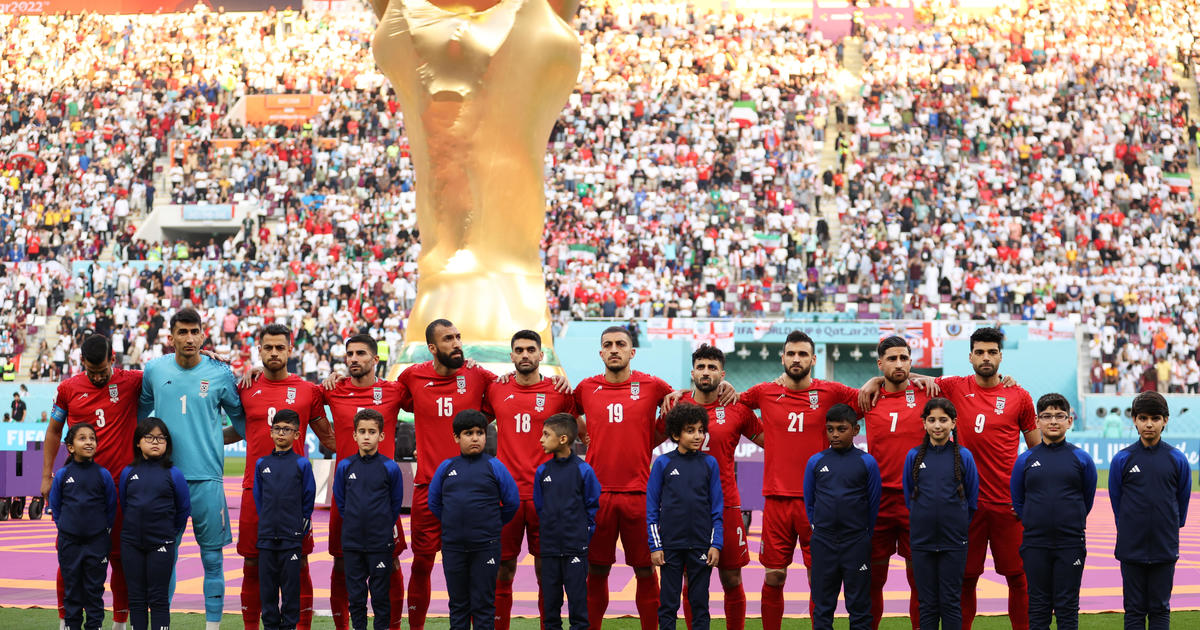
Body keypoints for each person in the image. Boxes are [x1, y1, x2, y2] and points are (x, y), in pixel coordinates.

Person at [738, 330, 861, 630]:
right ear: (782, 358)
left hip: (819, 502)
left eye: (803, 354)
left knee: (817, 575)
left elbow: (867, 398)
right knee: (774, 575)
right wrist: (761, 436)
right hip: (777, 499)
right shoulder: (764, 392)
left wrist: (874, 381)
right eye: (791, 354)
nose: (796, 359)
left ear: (814, 359)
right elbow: (734, 407)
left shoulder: (831, 391)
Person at [138, 307, 247, 630]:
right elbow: (141, 420)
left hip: (207, 480)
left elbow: (242, 425)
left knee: (212, 559)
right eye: (181, 332)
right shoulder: (154, 370)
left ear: (203, 335)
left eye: (193, 331)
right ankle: (162, 625)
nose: (188, 338)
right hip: (163, 480)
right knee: (164, 560)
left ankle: (211, 627)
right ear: (170, 337)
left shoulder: (220, 374)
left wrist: (213, 437)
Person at [393, 319, 497, 630]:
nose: (456, 343)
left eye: (458, 337)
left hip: (473, 491)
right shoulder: (411, 376)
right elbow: (389, 396)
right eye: (448, 339)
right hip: (427, 488)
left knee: (476, 566)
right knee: (423, 564)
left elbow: (509, 389)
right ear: (433, 348)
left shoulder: (478, 375)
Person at [572, 325, 674, 630]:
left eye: (620, 344)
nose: (614, 349)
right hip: (596, 495)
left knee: (646, 569)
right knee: (597, 568)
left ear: (632, 352)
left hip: (640, 493)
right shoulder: (586, 388)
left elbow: (674, 409)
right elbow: (566, 412)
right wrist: (586, 435)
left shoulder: (653, 385)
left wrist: (648, 440)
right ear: (600, 352)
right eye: (608, 345)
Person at [237, 324, 334, 630]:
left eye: (281, 347)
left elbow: (329, 439)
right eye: (269, 348)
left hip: (293, 496)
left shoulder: (308, 390)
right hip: (255, 490)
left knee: (299, 563)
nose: (275, 353)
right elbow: (236, 430)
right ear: (259, 350)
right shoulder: (244, 386)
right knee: (251, 564)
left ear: (291, 350)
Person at [43, 334, 142, 630]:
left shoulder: (131, 380)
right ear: (81, 361)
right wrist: (47, 475)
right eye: (92, 371)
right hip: (79, 490)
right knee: (69, 557)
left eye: (103, 370)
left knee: (119, 558)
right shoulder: (67, 389)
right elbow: (53, 432)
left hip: (121, 489)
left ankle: (119, 621)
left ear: (113, 359)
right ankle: (64, 619)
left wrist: (206, 355)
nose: (98, 376)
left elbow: (171, 369)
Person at [486, 329, 577, 630]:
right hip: (506, 495)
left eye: (530, 349)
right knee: (502, 568)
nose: (525, 354)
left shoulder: (560, 391)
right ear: (511, 356)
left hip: (548, 496)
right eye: (519, 350)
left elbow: (582, 431)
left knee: (548, 570)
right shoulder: (496, 388)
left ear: (541, 355)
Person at [671, 344, 760, 630]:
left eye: (712, 367)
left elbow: (770, 441)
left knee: (732, 578)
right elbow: (648, 437)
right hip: (686, 507)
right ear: (692, 372)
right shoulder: (677, 405)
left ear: (722, 373)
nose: (706, 372)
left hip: (727, 505)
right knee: (690, 578)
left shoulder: (737, 408)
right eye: (701, 367)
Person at [324, 333, 409, 630]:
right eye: (350, 354)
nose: (354, 359)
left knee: (392, 562)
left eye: (361, 353)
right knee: (341, 562)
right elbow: (293, 393)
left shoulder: (395, 391)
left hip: (381, 498)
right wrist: (252, 371)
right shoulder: (333, 389)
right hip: (346, 496)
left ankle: (393, 626)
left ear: (375, 359)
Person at [1010, 393, 1097, 630]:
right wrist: (1033, 519)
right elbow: (1018, 501)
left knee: (1068, 607)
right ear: (1037, 422)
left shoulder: (1081, 459)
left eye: (1060, 416)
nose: (1053, 421)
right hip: (1035, 544)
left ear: (1070, 421)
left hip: (1071, 543)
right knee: (1038, 607)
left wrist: (1070, 520)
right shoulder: (1025, 460)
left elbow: (1086, 499)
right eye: (1047, 416)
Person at [428, 409, 520, 630]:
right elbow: (434, 503)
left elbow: (512, 502)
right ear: (456, 437)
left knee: (484, 605)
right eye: (468, 433)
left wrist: (491, 523)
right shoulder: (446, 467)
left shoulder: (494, 466)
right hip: (454, 547)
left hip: (486, 547)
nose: (475, 437)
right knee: (458, 605)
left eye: (480, 432)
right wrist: (454, 522)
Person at [1109, 391, 1192, 630]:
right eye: (1143, 418)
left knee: (1160, 608)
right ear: (1134, 420)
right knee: (1133, 609)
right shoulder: (1122, 459)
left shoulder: (1177, 459)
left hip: (1164, 547)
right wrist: (1129, 528)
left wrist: (1168, 528)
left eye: (1155, 418)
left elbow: (1182, 502)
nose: (1149, 424)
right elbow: (1117, 503)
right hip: (1130, 547)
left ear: (1165, 420)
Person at [864, 337, 926, 630]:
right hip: (877, 502)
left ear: (911, 361)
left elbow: (974, 381)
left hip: (917, 500)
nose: (899, 364)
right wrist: (873, 382)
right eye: (891, 359)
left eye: (904, 358)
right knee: (873, 579)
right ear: (880, 364)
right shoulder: (865, 398)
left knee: (919, 578)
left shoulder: (928, 393)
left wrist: (1006, 378)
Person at [803, 404, 881, 630]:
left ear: (855, 430)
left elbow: (873, 503)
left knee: (859, 605)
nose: (835, 434)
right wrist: (820, 529)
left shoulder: (867, 462)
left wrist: (862, 535)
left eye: (841, 429)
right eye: (830, 429)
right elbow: (810, 502)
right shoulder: (816, 462)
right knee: (823, 605)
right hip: (824, 542)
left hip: (856, 542)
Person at [646, 403, 723, 630]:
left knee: (700, 603)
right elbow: (651, 508)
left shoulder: (710, 463)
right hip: (670, 546)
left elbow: (717, 508)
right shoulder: (662, 463)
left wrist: (715, 543)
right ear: (675, 434)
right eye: (690, 430)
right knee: (668, 604)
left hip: (701, 544)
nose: (698, 435)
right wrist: (655, 546)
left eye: (701, 430)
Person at [903, 398, 978, 630]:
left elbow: (972, 500)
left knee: (951, 601)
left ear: (953, 423)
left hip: (954, 542)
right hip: (922, 542)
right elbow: (909, 496)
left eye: (943, 420)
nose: (938, 426)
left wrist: (955, 525)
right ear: (924, 423)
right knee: (926, 603)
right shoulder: (914, 457)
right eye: (932, 420)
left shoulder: (964, 456)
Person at [332, 410, 406, 630]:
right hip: (353, 542)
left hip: (380, 542)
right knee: (356, 595)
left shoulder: (390, 467)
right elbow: (341, 501)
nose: (366, 436)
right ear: (354, 435)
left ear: (381, 436)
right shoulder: (345, 467)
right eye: (362, 431)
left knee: (381, 595)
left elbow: (395, 504)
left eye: (372, 432)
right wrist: (356, 522)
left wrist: (380, 526)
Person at [119, 417, 191, 630]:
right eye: (149, 437)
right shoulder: (127, 473)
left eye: (161, 438)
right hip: (131, 543)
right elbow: (125, 504)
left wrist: (166, 533)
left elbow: (183, 509)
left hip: (161, 542)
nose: (155, 442)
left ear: (167, 443)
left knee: (159, 597)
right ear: (138, 442)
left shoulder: (173, 474)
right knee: (136, 597)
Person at [535, 413, 602, 630]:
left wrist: (581, 537)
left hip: (576, 549)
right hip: (550, 550)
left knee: (578, 607)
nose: (541, 439)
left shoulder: (583, 470)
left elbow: (592, 506)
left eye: (546, 434)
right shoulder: (542, 471)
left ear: (563, 439)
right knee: (551, 608)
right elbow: (540, 506)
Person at [254, 409, 317, 630]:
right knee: (267, 591)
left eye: (287, 430)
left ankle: (289, 626)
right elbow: (259, 498)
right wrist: (269, 522)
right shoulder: (262, 463)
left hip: (291, 538)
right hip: (267, 537)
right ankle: (270, 626)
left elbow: (308, 498)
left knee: (291, 590)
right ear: (271, 433)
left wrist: (296, 525)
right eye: (277, 429)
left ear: (297, 435)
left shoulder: (302, 464)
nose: (281, 433)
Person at [50, 423, 118, 630]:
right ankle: (71, 625)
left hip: (97, 543)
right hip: (69, 542)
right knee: (72, 589)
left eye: (92, 438)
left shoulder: (103, 474)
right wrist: (66, 528)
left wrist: (102, 531)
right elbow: (55, 505)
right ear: (70, 447)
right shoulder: (62, 475)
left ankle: (95, 625)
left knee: (94, 589)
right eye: (82, 438)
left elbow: (111, 506)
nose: (89, 442)